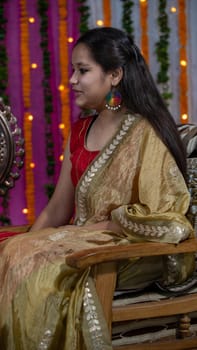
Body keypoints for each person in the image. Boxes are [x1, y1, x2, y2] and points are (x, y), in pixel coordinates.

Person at [0, 27, 195, 350]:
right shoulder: (80, 130)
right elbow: (58, 208)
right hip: (79, 240)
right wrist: (32, 241)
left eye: (83, 70)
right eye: (73, 71)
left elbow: (166, 216)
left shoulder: (145, 132)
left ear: (115, 75)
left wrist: (92, 231)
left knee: (37, 270)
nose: (73, 80)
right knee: (13, 251)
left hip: (123, 253)